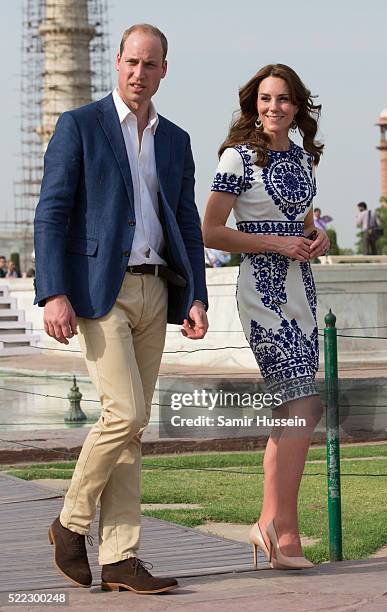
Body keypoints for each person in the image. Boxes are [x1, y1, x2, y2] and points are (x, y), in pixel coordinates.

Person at [34, 23, 208, 595]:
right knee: (125, 412)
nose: (139, 73)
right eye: (131, 62)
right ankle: (70, 522)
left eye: (149, 64)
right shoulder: (79, 125)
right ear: (117, 63)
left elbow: (185, 221)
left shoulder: (176, 139)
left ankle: (120, 558)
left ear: (163, 70)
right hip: (96, 290)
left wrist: (197, 295)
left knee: (131, 430)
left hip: (156, 290)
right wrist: (52, 291)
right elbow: (52, 212)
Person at [203, 64, 329, 570]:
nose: (272, 107)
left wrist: (317, 237)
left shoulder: (304, 159)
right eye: (264, 98)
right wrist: (274, 242)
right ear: (253, 104)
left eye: (282, 99)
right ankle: (282, 527)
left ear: (297, 106)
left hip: (303, 289)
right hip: (263, 290)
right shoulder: (237, 158)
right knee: (306, 403)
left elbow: (305, 222)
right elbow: (210, 229)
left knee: (291, 410)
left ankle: (275, 530)